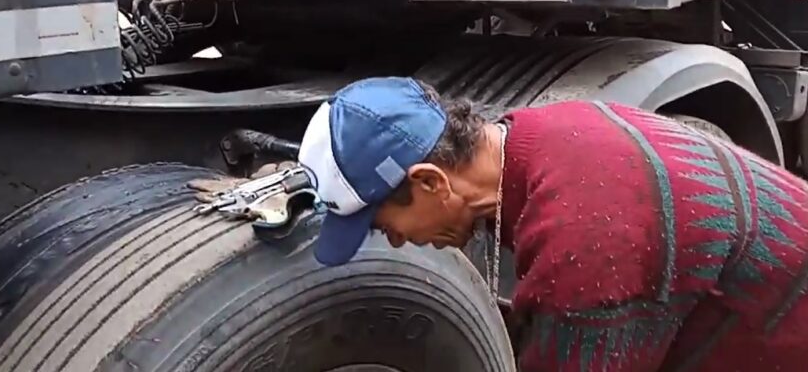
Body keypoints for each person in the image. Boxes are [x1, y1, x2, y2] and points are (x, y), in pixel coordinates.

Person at [296, 76, 808, 372]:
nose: (400, 240)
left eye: (388, 224)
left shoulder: (587, 239)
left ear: (431, 182)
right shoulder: (539, 133)